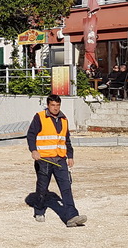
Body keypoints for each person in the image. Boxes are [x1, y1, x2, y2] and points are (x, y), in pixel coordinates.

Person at [26, 94, 87, 227]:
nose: (55, 108)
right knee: (42, 188)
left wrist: (70, 156)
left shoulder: (64, 119)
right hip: (44, 160)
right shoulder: (39, 117)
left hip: (60, 160)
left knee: (66, 188)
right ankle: (39, 210)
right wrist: (33, 150)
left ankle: (72, 216)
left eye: (58, 105)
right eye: (53, 105)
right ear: (48, 105)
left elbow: (67, 140)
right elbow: (31, 135)